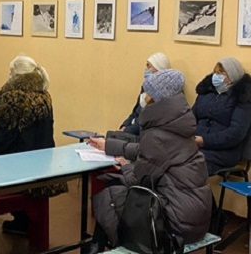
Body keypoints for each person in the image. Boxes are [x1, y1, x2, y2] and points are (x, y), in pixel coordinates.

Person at [86, 70, 211, 253]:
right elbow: (148, 151)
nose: (144, 96)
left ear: (156, 98)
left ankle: (105, 247)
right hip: (197, 218)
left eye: (147, 92)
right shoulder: (178, 125)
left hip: (176, 225)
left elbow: (138, 181)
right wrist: (109, 146)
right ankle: (98, 247)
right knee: (118, 193)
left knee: (110, 195)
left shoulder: (157, 135)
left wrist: (126, 166)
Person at [0, 55, 57, 246]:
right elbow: (29, 128)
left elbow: (3, 140)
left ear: (16, 74)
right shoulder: (44, 96)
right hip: (42, 167)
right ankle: (21, 222)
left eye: (10, 72)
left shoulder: (11, 97)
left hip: (16, 171)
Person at [192, 57, 251, 176]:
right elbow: (189, 119)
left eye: (221, 73)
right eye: (215, 72)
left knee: (189, 169)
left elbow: (235, 133)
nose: (216, 76)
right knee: (168, 158)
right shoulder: (205, 93)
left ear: (232, 77)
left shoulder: (242, 99)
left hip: (223, 152)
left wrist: (204, 141)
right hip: (194, 145)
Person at [120, 52, 171, 135]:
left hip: (146, 135)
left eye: (149, 66)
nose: (146, 69)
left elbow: (145, 121)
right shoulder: (145, 87)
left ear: (158, 69)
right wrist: (124, 125)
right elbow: (135, 112)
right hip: (133, 130)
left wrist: (125, 131)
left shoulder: (165, 93)